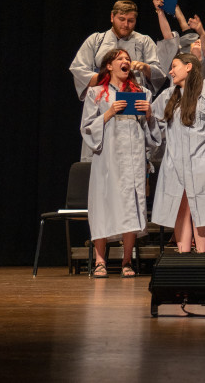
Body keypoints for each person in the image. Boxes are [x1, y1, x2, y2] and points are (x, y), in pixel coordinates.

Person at [80, 49, 154, 277]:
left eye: (128, 59)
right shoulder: (95, 93)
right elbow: (86, 128)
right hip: (108, 159)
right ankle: (100, 261)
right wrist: (109, 113)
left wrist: (149, 114)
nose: (126, 62)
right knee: (103, 205)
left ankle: (126, 261)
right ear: (109, 66)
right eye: (120, 59)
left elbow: (151, 132)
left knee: (130, 206)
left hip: (132, 159)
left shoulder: (142, 92)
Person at [150, 52, 205, 254]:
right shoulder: (169, 95)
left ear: (189, 67)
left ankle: (201, 254)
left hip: (202, 159)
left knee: (201, 206)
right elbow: (153, 119)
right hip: (175, 160)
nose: (170, 71)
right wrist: (146, 113)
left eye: (174, 66)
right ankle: (183, 254)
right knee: (180, 206)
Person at [71, 0, 163, 158]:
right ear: (112, 17)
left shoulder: (143, 41)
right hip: (104, 100)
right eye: (122, 19)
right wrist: (109, 78)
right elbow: (79, 70)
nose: (126, 25)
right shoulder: (96, 40)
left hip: (133, 101)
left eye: (131, 21)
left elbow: (160, 72)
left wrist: (145, 67)